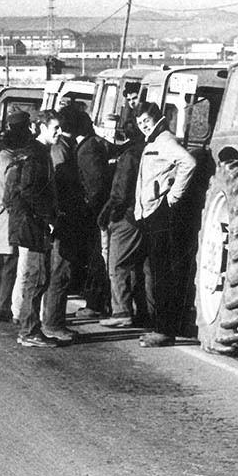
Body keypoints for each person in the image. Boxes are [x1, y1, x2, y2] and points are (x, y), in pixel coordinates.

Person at [133, 102, 197, 347]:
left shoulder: (164, 140)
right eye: (140, 123)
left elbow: (188, 162)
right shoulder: (154, 140)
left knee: (162, 273)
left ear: (157, 119)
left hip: (160, 212)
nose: (143, 126)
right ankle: (161, 327)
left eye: (146, 121)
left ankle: (164, 330)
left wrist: (172, 197)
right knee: (157, 270)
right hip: (150, 212)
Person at [4, 112, 59, 347]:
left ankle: (30, 328)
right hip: (32, 224)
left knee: (36, 277)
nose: (58, 132)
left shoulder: (37, 152)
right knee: (36, 278)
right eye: (54, 128)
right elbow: (29, 191)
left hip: (28, 222)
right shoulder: (36, 155)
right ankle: (29, 330)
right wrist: (47, 217)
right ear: (41, 128)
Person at [42, 107, 88, 343]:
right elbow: (61, 183)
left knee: (60, 271)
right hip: (65, 217)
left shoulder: (62, 146)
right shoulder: (62, 148)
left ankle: (53, 320)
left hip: (63, 216)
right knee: (60, 272)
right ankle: (53, 324)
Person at [98, 119, 148, 328]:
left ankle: (121, 312)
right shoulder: (147, 151)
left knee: (117, 264)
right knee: (138, 267)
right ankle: (141, 311)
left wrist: (111, 214)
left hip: (125, 217)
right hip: (142, 215)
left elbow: (121, 190)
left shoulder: (128, 157)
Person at [0, 112, 29, 322]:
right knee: (10, 266)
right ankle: (2, 307)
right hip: (8, 219)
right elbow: (12, 194)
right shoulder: (12, 164)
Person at [73, 107, 114, 318]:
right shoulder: (95, 143)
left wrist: (89, 209)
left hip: (94, 214)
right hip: (98, 212)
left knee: (96, 257)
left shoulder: (88, 148)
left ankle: (95, 303)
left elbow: (95, 185)